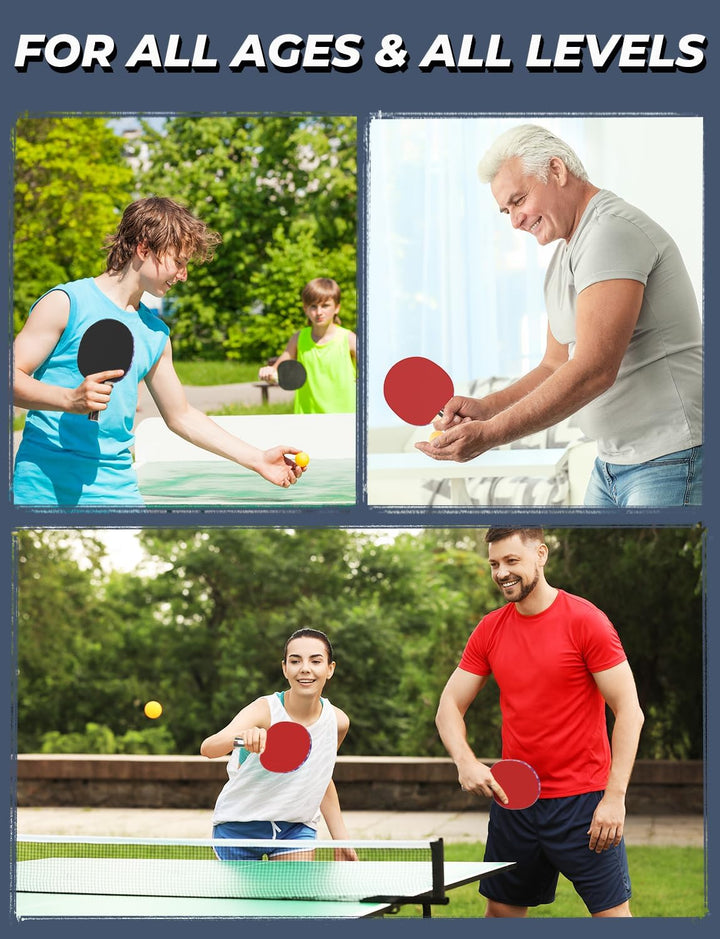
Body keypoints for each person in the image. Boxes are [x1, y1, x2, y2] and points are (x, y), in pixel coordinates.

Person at [415, 124, 702, 507]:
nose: (514, 220)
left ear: (557, 170)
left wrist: (489, 435)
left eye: (518, 200)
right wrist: (486, 408)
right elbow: (554, 365)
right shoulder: (567, 254)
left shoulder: (610, 233)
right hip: (613, 463)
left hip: (670, 458)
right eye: (506, 211)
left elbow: (594, 369)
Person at [13, 196, 306, 506]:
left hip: (117, 489)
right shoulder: (65, 303)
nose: (184, 274)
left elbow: (181, 415)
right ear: (144, 248)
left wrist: (257, 459)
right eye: (178, 262)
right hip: (42, 485)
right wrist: (68, 399)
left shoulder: (156, 333)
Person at [435, 527, 645, 918]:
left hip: (584, 805)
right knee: (500, 915)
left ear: (541, 555)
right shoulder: (490, 629)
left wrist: (614, 799)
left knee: (614, 919)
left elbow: (630, 712)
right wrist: (465, 761)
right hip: (514, 800)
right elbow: (449, 704)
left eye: (512, 561)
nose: (501, 573)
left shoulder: (587, 621)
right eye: (494, 564)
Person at [200, 628, 355, 860]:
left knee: (292, 895)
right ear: (285, 668)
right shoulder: (265, 710)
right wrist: (244, 738)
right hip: (240, 824)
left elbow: (321, 777)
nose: (305, 668)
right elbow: (208, 748)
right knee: (237, 898)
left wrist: (341, 837)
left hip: (295, 827)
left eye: (315, 661)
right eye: (295, 661)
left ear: (330, 669)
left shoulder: (338, 722)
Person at [258, 277, 356, 413]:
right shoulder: (298, 338)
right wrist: (268, 373)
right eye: (313, 306)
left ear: (337, 308)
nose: (319, 312)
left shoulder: (349, 339)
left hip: (344, 418)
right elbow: (277, 370)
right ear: (305, 308)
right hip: (306, 418)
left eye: (325, 306)